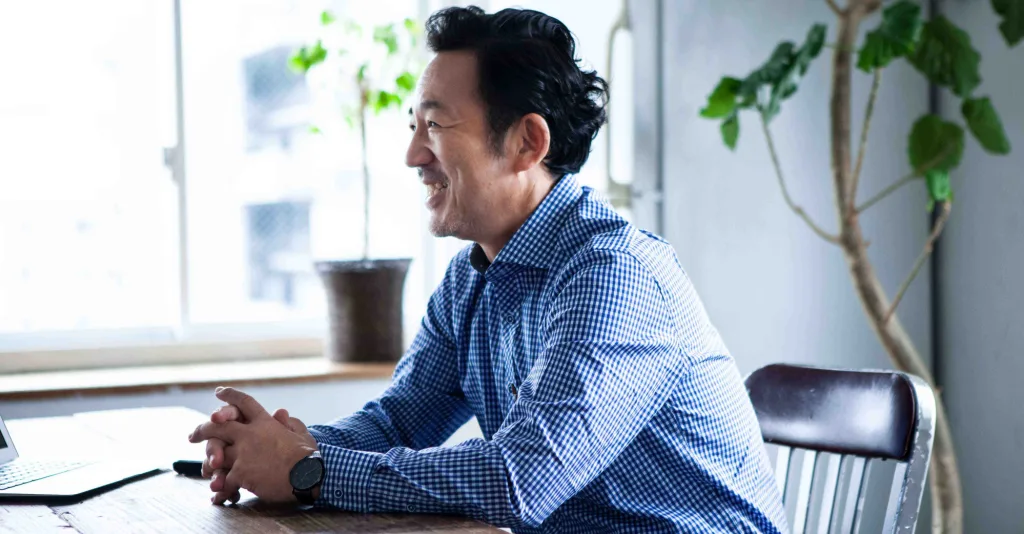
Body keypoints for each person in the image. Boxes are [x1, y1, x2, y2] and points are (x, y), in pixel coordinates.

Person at [188, 6, 787, 533]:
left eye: (436, 125)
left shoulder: (613, 276)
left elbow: (518, 481)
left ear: (527, 142)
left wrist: (304, 471)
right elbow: (399, 420)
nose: (413, 155)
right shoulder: (471, 276)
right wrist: (273, 446)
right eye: (413, 127)